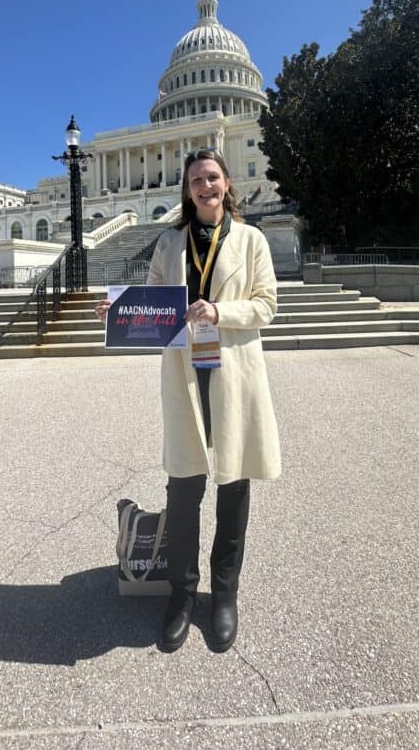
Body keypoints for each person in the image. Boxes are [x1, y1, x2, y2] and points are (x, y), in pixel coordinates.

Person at [95, 149, 280, 652]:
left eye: (212, 177)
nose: (205, 186)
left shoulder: (251, 239)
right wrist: (119, 312)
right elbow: (155, 300)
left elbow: (266, 305)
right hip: (184, 372)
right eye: (197, 179)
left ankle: (224, 593)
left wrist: (219, 312)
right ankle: (181, 593)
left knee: (233, 486)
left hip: (232, 369)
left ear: (226, 184)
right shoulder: (169, 241)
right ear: (187, 189)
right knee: (183, 489)